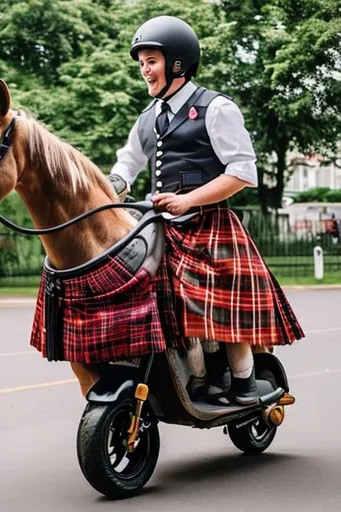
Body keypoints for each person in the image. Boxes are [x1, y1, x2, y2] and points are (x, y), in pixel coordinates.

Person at [108, 15, 304, 405]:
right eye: (141, 63)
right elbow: (127, 165)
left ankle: (245, 384)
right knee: (151, 302)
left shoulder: (215, 108)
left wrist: (189, 199)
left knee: (226, 311)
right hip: (161, 227)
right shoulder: (147, 118)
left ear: (177, 63)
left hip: (208, 224)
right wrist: (108, 189)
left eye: (152, 61)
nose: (145, 70)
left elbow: (243, 172)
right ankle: (191, 377)